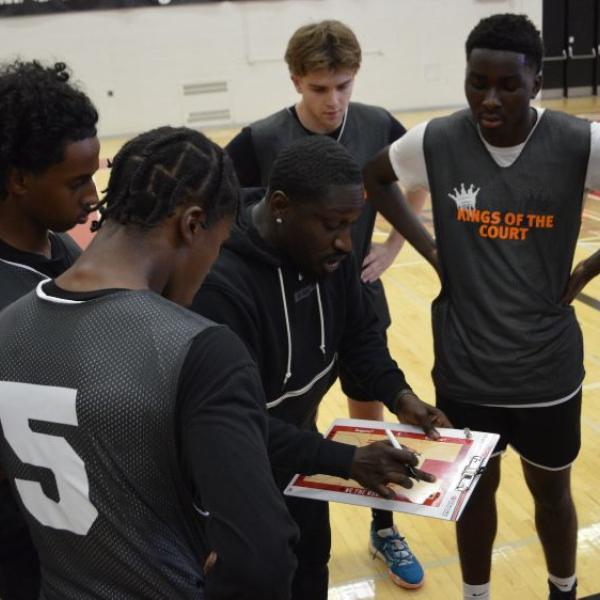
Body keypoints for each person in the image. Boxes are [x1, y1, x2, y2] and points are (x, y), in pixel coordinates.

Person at [0, 126, 299, 599]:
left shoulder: (7, 327)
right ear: (193, 224)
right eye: (216, 247)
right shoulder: (199, 350)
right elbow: (263, 562)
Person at [363, 13, 600, 600]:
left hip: (546, 368)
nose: (489, 98)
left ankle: (562, 590)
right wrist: (431, 250)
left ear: (537, 81)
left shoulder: (577, 143)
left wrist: (590, 268)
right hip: (466, 368)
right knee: (473, 494)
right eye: (477, 82)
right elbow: (374, 177)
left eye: (508, 85)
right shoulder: (437, 139)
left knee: (552, 494)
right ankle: (477, 594)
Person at [192, 136, 451, 600]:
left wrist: (400, 395)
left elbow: (359, 336)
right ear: (280, 206)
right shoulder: (221, 287)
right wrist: (345, 460)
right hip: (233, 480)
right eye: (333, 224)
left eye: (353, 224)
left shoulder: (329, 255)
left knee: (311, 566)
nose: (345, 242)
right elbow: (237, 425)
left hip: (299, 460)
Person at [225, 19, 428, 587]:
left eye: (343, 85)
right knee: (283, 418)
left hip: (350, 299)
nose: (333, 100)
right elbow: (218, 207)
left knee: (372, 418)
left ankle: (385, 526)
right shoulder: (261, 140)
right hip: (280, 311)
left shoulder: (377, 125)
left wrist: (391, 246)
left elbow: (413, 179)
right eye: (319, 89)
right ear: (296, 81)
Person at [0, 59, 100, 600]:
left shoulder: (59, 244)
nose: (92, 197)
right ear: (18, 180)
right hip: (20, 550)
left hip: (72, 534)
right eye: (77, 181)